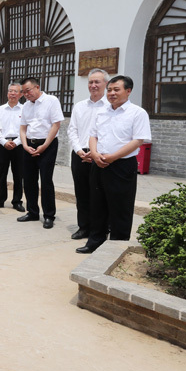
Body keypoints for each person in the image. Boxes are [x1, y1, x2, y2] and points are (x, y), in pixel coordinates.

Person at [77, 75, 151, 254]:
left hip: (122, 166)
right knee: (97, 204)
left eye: (116, 90)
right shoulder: (102, 111)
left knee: (120, 207)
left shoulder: (137, 113)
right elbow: (93, 135)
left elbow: (138, 141)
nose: (111, 93)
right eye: (109, 90)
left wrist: (113, 157)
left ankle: (117, 246)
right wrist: (94, 154)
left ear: (128, 91)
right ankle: (95, 241)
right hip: (99, 164)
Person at [67, 69, 109, 240]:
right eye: (91, 82)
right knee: (82, 193)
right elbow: (72, 130)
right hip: (80, 154)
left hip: (100, 156)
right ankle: (83, 227)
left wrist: (95, 153)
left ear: (106, 84)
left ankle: (100, 229)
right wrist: (79, 150)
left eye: (97, 82)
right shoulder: (79, 106)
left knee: (100, 194)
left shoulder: (110, 107)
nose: (93, 85)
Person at [18, 77, 64, 229]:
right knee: (29, 180)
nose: (26, 94)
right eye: (23, 92)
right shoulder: (25, 106)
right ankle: (32, 212)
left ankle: (49, 215)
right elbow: (23, 128)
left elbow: (56, 125)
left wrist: (44, 146)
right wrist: (24, 145)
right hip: (29, 145)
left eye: (28, 90)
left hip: (47, 145)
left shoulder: (51, 100)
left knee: (46, 180)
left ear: (37, 87)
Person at [0, 83, 26, 212]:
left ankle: (17, 201)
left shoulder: (24, 109)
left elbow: (26, 129)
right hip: (2, 145)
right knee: (1, 173)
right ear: (7, 93)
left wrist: (16, 142)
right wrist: (4, 141)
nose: (12, 93)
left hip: (19, 145)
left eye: (15, 91)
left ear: (21, 94)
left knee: (19, 174)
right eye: (10, 91)